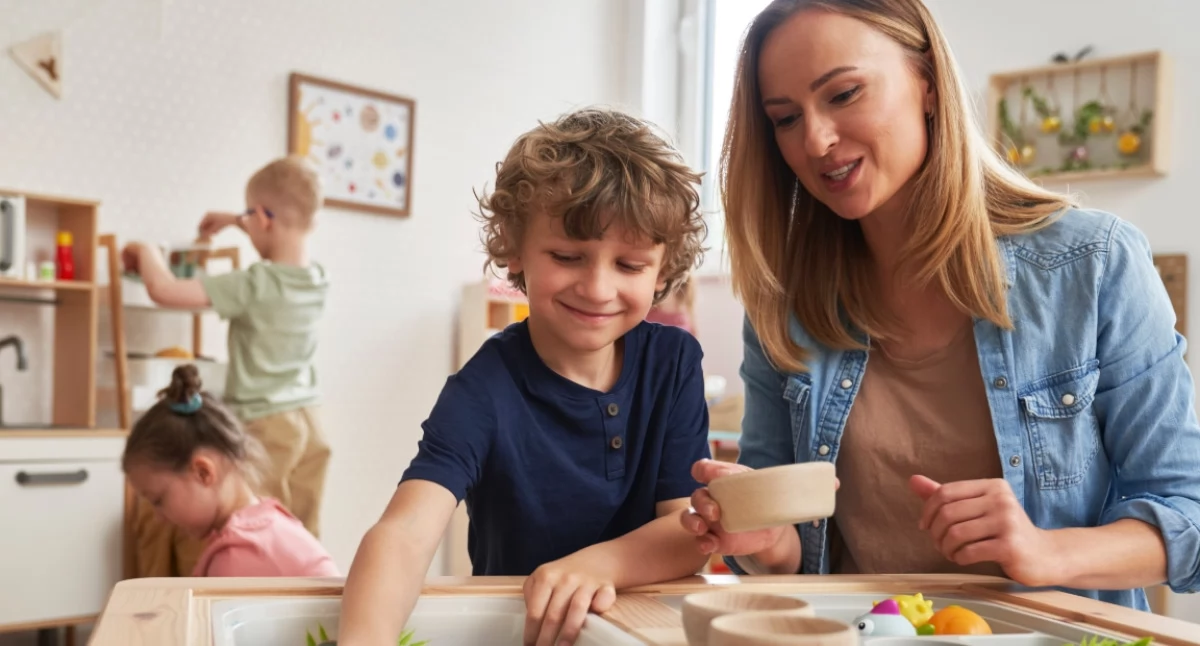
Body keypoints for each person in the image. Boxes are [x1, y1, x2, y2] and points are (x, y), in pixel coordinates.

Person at [681, 0, 1200, 612]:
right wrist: (763, 542)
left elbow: (1186, 516)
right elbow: (791, 549)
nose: (815, 140)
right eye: (786, 118)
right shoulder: (785, 300)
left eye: (844, 94)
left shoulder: (1092, 263)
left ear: (926, 84)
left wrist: (1046, 551)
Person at [338, 108, 712, 646]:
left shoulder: (674, 362)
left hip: (644, 625)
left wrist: (595, 566)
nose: (599, 288)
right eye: (567, 256)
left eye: (629, 266)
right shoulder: (484, 388)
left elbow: (687, 531)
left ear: (663, 270)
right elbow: (404, 533)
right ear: (515, 249)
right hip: (517, 633)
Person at [122, 154, 332, 545]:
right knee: (302, 533)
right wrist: (238, 220)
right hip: (310, 422)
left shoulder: (254, 284)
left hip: (268, 422)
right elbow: (278, 221)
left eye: (249, 217)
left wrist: (146, 250)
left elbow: (164, 291)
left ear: (264, 219)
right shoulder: (317, 278)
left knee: (255, 532)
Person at [122, 365, 339, 577]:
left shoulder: (238, 556)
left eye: (158, 500)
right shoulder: (268, 523)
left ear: (203, 472)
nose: (159, 518)